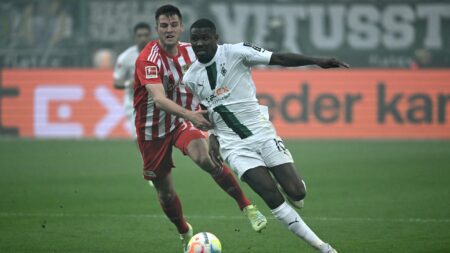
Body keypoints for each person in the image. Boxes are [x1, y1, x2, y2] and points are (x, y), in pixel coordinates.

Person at [183, 18, 350, 253]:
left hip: (262, 133)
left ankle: (290, 187)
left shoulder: (237, 52)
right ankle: (324, 248)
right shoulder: (190, 77)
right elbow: (205, 107)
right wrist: (212, 135)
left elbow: (278, 58)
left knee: (297, 192)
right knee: (271, 196)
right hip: (234, 147)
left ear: (216, 38)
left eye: (204, 38)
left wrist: (317, 61)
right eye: (194, 39)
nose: (199, 43)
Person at [133, 5, 267, 251]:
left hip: (182, 122)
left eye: (174, 25)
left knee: (205, 159)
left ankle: (248, 207)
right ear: (157, 29)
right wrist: (192, 114)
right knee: (165, 193)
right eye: (164, 25)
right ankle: (185, 231)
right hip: (152, 131)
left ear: (182, 27)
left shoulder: (191, 52)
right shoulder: (148, 59)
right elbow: (160, 100)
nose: (169, 30)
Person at [114, 22, 152, 138]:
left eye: (145, 35)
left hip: (156, 100)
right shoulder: (126, 57)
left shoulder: (159, 52)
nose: (143, 38)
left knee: (158, 137)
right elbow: (116, 82)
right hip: (134, 102)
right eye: (139, 36)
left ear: (150, 36)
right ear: (135, 37)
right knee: (139, 137)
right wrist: (128, 84)